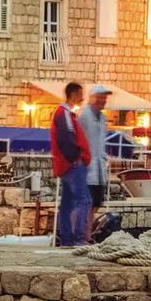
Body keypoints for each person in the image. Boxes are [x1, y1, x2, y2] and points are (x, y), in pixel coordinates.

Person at [50, 81, 92, 247]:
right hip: (73, 164)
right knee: (84, 200)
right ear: (74, 94)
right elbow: (66, 138)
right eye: (81, 93)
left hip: (65, 165)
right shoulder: (65, 114)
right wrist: (76, 158)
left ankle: (66, 239)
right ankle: (79, 238)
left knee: (67, 203)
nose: (82, 97)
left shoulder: (63, 113)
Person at [82, 85, 113, 236]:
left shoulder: (103, 118)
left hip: (99, 168)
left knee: (94, 204)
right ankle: (81, 234)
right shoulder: (84, 116)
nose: (103, 100)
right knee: (85, 203)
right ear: (92, 98)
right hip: (87, 167)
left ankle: (86, 233)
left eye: (104, 98)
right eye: (100, 97)